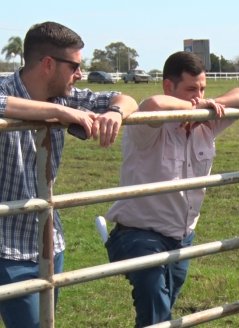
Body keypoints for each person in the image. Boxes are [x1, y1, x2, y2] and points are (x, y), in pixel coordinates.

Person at [104, 51, 239, 326]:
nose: (198, 98)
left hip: (181, 235)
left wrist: (212, 104)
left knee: (163, 308)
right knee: (156, 304)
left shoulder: (206, 120)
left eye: (202, 89)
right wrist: (188, 109)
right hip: (139, 234)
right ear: (168, 86)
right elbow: (152, 103)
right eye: (191, 90)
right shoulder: (148, 126)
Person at [0, 21, 138, 328]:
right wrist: (60, 114)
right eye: (75, 66)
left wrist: (115, 112)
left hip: (49, 239)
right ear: (49, 64)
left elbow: (126, 98)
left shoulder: (66, 94)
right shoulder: (7, 90)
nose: (80, 74)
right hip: (5, 244)